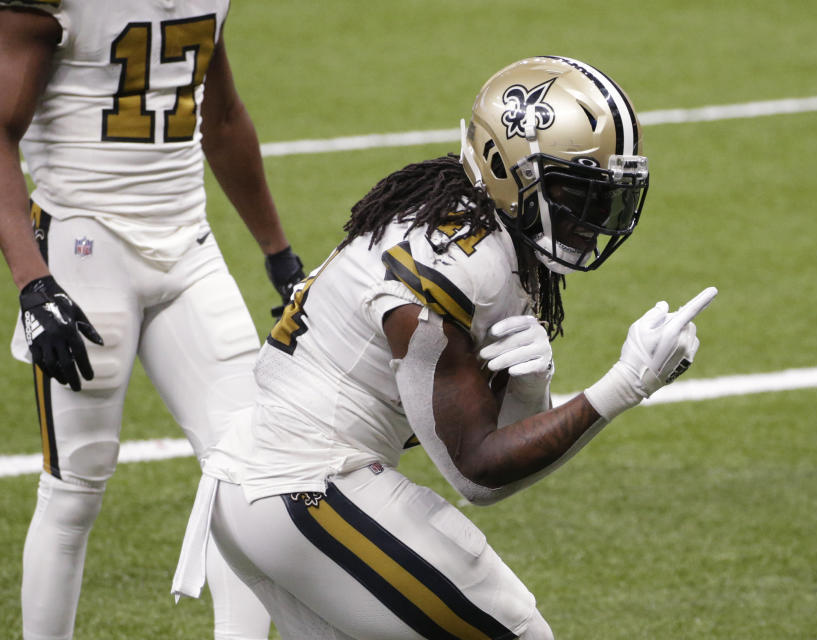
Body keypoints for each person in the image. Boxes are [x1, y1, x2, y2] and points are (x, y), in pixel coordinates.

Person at [172, 55, 717, 639]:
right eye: (571, 191)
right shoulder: (458, 262)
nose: (591, 216)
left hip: (264, 492)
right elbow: (480, 472)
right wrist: (626, 384)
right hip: (304, 488)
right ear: (502, 166)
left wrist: (530, 382)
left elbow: (509, 441)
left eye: (603, 195)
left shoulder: (478, 229)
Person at [0, 1, 306, 638]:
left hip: (188, 245)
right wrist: (33, 280)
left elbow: (220, 118)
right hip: (85, 246)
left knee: (248, 471)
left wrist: (279, 256)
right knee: (77, 483)